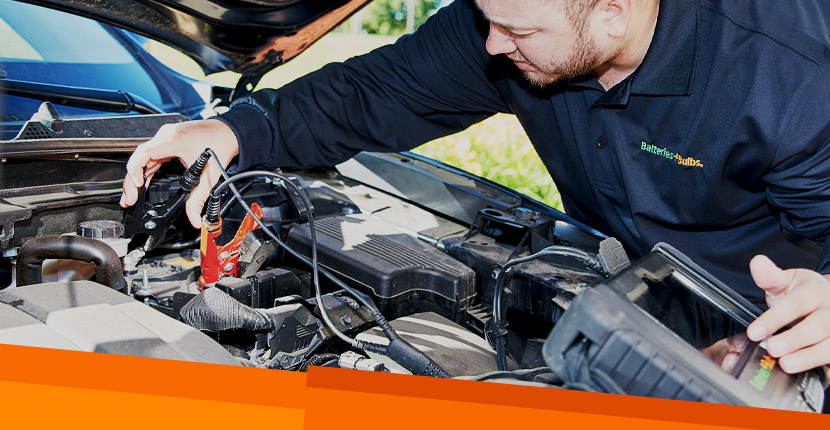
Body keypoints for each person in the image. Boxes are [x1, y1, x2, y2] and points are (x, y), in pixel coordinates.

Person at [121, 0, 830, 378]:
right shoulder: (505, 24)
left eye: (516, 28)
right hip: (619, 294)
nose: (492, 45)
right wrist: (234, 131)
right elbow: (370, 92)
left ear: (612, 10)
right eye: (487, 18)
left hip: (765, 335)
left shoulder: (787, 70)